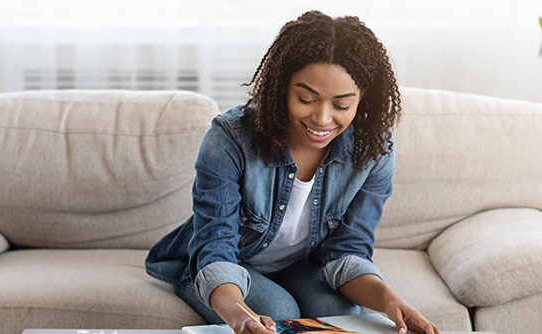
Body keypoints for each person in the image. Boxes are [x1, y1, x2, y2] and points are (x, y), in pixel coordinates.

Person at [145, 10, 442, 334]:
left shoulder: (374, 151)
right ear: (282, 87)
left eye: (341, 105)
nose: (322, 118)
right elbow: (215, 248)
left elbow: (348, 249)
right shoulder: (229, 139)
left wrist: (388, 299)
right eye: (306, 98)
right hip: (222, 264)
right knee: (279, 311)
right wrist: (239, 315)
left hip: (303, 267)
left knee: (337, 311)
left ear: (362, 100)